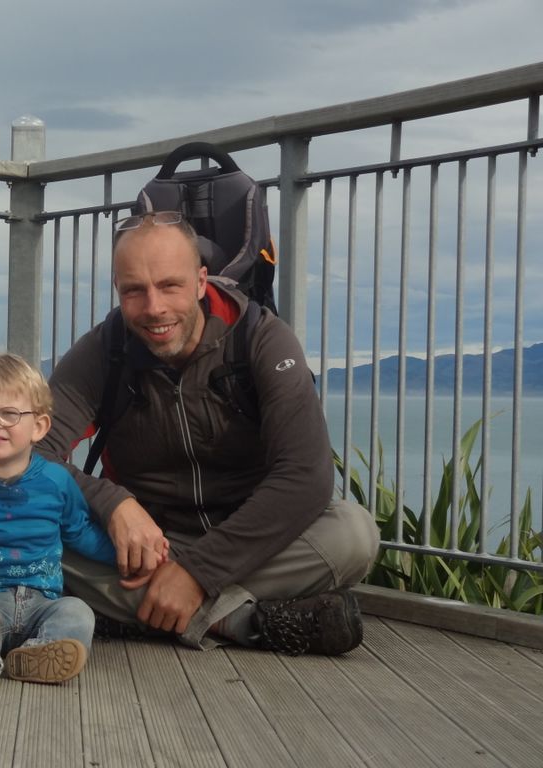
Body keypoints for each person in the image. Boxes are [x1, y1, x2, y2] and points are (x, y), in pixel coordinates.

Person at [38, 211, 381, 655]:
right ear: (117, 289)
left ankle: (156, 610)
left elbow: (306, 475)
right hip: (148, 546)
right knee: (26, 530)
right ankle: (243, 621)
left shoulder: (260, 339)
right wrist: (113, 503)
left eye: (170, 286)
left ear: (201, 282)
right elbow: (33, 452)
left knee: (354, 534)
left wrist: (197, 574)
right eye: (134, 291)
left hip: (252, 541)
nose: (154, 308)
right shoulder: (105, 350)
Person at [0, 353, 142, 685]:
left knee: (77, 613)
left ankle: (35, 655)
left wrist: (126, 557)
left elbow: (79, 532)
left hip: (41, 605)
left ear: (39, 426)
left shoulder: (57, 481)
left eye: (10, 414)